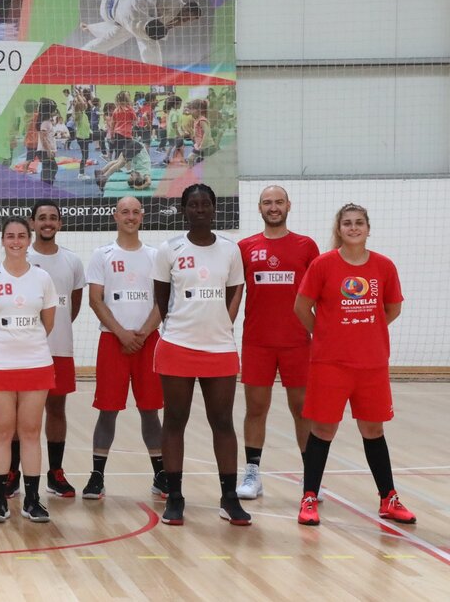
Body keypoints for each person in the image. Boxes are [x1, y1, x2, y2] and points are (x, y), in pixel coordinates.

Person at [293, 204, 415, 526]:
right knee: (323, 429)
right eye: (347, 223)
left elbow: (392, 309)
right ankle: (309, 498)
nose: (353, 228)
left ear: (368, 228)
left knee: (373, 429)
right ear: (339, 229)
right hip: (330, 364)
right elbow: (301, 307)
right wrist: (326, 334)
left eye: (359, 222)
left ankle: (388, 499)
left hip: (371, 364)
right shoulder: (322, 265)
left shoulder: (384, 266)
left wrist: (366, 330)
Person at [152, 183, 250, 526]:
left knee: (222, 422)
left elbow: (235, 290)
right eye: (192, 205)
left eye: (205, 204)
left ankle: (229, 498)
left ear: (213, 208)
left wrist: (222, 323)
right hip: (177, 345)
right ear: (184, 210)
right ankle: (175, 497)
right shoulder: (169, 249)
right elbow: (162, 299)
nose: (199, 210)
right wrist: (182, 325)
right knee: (175, 421)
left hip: (220, 348)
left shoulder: (230, 249)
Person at [234, 186, 320, 500]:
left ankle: (311, 477)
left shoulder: (306, 246)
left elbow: (319, 294)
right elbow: (235, 292)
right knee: (256, 409)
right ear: (259, 208)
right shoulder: (245, 247)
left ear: (288, 206)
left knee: (303, 410)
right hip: (257, 342)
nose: (274, 207)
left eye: (279, 202)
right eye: (268, 202)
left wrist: (324, 333)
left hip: (298, 342)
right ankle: (252, 475)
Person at [0, 217, 57, 523]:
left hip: (36, 363)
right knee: (2, 431)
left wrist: (26, 343)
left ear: (29, 239)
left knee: (31, 431)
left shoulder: (42, 278)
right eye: (10, 236)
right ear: (2, 240)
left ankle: (32, 500)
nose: (16, 241)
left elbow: (48, 322)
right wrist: (1, 345)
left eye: (22, 236)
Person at [83, 196, 166, 500]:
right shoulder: (102, 255)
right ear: (115, 216)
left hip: (148, 341)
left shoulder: (156, 255)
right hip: (112, 341)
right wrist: (121, 333)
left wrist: (143, 334)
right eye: (125, 212)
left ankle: (161, 474)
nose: (130, 217)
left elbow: (162, 300)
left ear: (141, 216)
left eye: (135, 212)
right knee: (108, 411)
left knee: (150, 410)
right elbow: (95, 300)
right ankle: (97, 476)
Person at [16, 200, 86, 499]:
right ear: (32, 223)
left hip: (60, 348)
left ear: (60, 223)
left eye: (53, 218)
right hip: (25, 349)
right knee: (19, 412)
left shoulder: (72, 261)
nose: (47, 222)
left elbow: (72, 307)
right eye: (42, 217)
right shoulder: (22, 258)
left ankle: (55, 473)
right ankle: (11, 472)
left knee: (57, 409)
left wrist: (55, 329)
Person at [81, 0, 201, 67]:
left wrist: (91, 27)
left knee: (109, 41)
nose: (186, 20)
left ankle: (82, 50)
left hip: (114, 15)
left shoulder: (173, 16)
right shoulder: (172, 0)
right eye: (187, 17)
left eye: (189, 20)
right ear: (186, 8)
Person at [35, 98, 58, 185]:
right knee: (49, 169)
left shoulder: (47, 122)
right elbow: (43, 138)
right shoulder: (45, 123)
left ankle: (46, 185)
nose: (55, 111)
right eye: (53, 110)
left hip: (45, 150)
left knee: (52, 167)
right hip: (44, 151)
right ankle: (45, 187)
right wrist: (49, 150)